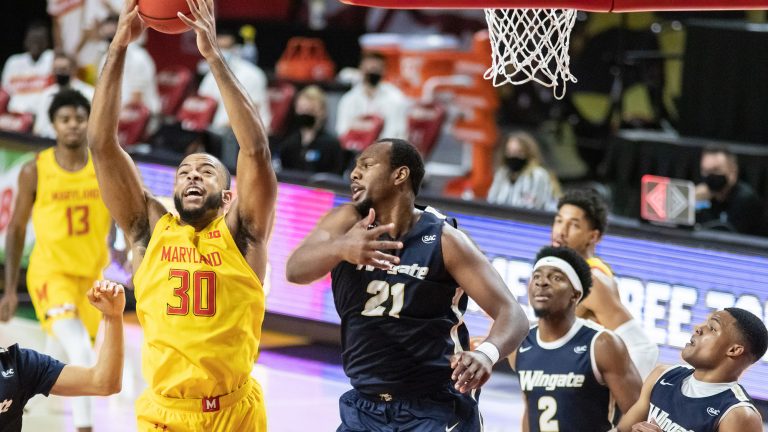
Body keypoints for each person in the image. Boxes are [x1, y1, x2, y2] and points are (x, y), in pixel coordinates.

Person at [87, 0, 276, 429]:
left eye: (206, 171)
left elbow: (256, 151)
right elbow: (101, 145)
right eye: (184, 172)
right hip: (164, 413)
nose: (192, 175)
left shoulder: (243, 234)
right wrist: (117, 48)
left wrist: (213, 56)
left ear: (227, 196)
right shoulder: (149, 230)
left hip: (234, 414)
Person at [286, 138, 529, 431]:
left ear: (400, 175)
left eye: (366, 165)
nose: (354, 173)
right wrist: (340, 248)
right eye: (355, 167)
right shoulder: (346, 222)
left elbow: (513, 314)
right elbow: (295, 270)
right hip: (364, 406)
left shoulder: (444, 239)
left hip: (434, 407)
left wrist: (486, 354)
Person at [0, 88, 113, 432]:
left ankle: (26, 394)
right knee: (80, 350)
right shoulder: (35, 170)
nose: (73, 125)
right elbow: (17, 229)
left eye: (80, 118)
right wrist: (9, 290)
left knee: (59, 348)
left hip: (90, 275)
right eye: (65, 119)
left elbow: (121, 214)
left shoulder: (104, 167)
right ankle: (84, 427)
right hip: (50, 274)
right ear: (53, 125)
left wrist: (125, 249)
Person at [509, 246, 642, 432]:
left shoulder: (602, 344)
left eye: (556, 278)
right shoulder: (520, 344)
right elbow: (530, 409)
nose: (542, 282)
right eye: (536, 276)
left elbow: (640, 412)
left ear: (576, 294)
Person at [552, 188, 659, 379]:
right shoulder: (564, 273)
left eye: (574, 225)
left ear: (593, 236)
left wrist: (626, 396)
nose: (561, 231)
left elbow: (643, 348)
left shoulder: (592, 281)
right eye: (559, 221)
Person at [0, 280, 126, 432]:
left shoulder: (20, 364)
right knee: (78, 347)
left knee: (71, 348)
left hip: (83, 284)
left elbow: (104, 383)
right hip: (54, 279)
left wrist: (113, 317)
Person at [617, 308, 767, 432]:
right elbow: (622, 430)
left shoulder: (738, 414)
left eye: (712, 328)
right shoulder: (662, 374)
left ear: (734, 350)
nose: (698, 329)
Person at [695, 145, 766, 237]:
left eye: (716, 170)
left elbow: (727, 236)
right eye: (706, 171)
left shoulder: (746, 200)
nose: (710, 176)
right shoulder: (701, 196)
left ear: (733, 171)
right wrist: (692, 202)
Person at [96, 14, 161, 114]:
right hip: (116, 114)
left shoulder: (138, 57)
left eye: (113, 29)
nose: (110, 32)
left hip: (143, 116)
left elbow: (136, 101)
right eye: (107, 29)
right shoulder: (105, 58)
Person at [335, 52, 409, 140]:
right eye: (369, 68)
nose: (372, 73)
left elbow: (397, 133)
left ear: (384, 71)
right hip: (355, 146)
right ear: (361, 69)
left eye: (376, 69)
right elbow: (342, 131)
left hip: (385, 146)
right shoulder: (349, 99)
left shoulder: (395, 98)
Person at [277, 85, 344, 175]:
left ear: (323, 112)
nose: (306, 115)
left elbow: (336, 176)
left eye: (311, 110)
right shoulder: (288, 144)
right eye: (302, 110)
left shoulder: (332, 145)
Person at [486, 131, 561, 211]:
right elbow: (491, 200)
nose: (513, 156)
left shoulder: (537, 175)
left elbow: (536, 207)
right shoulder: (502, 173)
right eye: (509, 152)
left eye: (519, 152)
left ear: (528, 153)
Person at [34, 51, 95, 138]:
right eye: (56, 70)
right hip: (48, 141)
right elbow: (38, 128)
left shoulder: (89, 93)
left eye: (63, 69)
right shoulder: (46, 94)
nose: (59, 73)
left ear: (73, 70)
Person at [1, 22, 54, 115]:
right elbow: (5, 92)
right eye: (32, 40)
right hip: (15, 115)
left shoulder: (52, 58)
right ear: (25, 41)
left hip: (42, 114)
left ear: (47, 43)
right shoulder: (14, 62)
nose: (36, 44)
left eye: (40, 40)